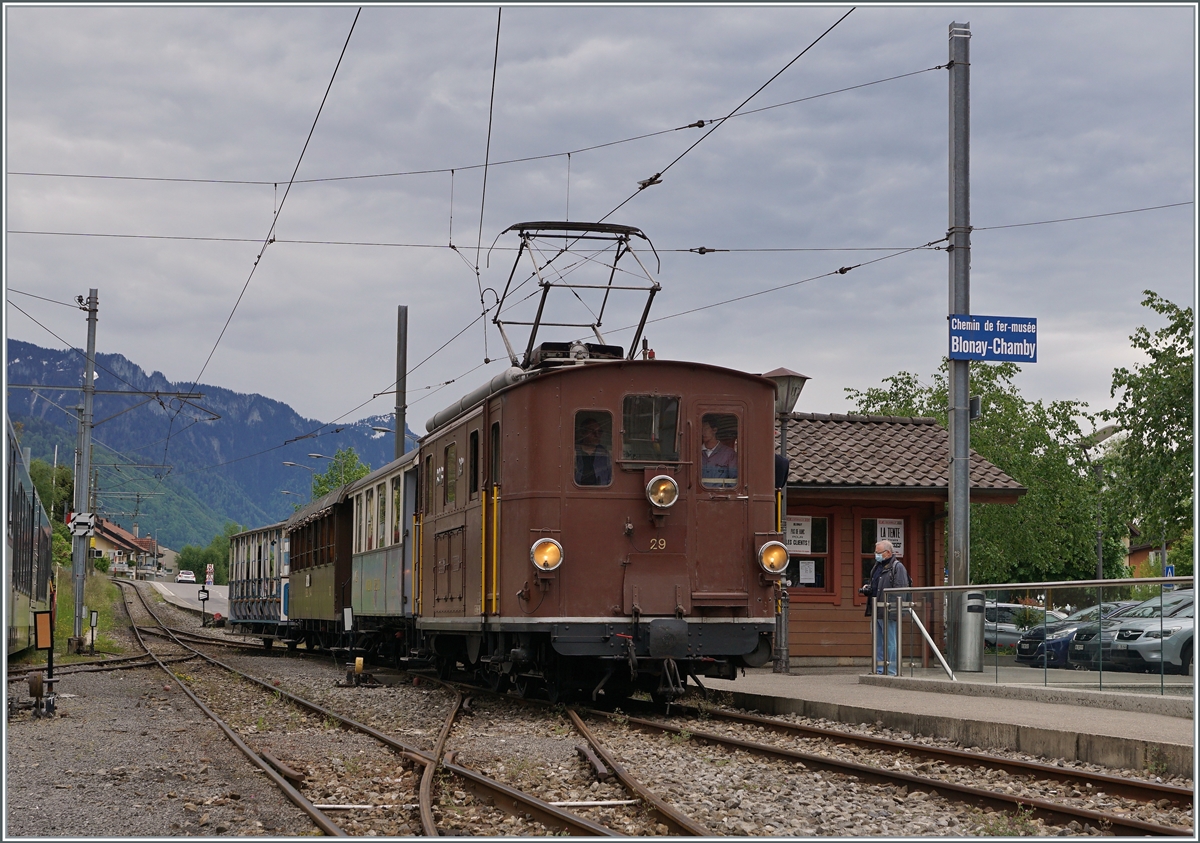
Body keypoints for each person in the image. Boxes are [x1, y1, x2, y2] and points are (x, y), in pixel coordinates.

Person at [859, 540, 910, 675]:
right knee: (878, 642)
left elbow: (900, 590)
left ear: (888, 552)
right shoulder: (877, 566)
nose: (876, 555)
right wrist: (868, 589)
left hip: (889, 610)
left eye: (878, 552)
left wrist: (892, 609)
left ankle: (892, 670)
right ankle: (880, 669)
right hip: (876, 610)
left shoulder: (897, 567)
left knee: (890, 642)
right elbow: (876, 586)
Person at [700, 415, 737, 484]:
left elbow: (733, 481)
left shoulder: (729, 454)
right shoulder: (695, 453)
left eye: (705, 428)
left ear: (714, 430)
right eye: (700, 429)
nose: (702, 432)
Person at [575, 417, 611, 485]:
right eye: (593, 432)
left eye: (599, 432)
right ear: (583, 433)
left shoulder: (604, 453)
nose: (597, 435)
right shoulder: (574, 451)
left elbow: (610, 476)